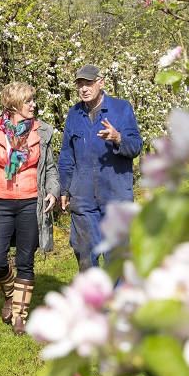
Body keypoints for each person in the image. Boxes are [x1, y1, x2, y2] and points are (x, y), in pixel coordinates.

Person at [0, 82, 59, 335]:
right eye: (28, 101)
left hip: (31, 202)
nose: (34, 105)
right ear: (14, 105)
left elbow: (50, 168)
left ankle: (20, 315)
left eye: (33, 101)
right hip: (0, 204)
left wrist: (53, 190)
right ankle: (10, 294)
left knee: (25, 261)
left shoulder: (42, 132)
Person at [58, 64, 143, 271]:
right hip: (83, 196)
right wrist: (63, 189)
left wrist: (117, 138)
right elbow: (67, 155)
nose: (84, 89)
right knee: (85, 251)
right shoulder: (74, 114)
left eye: (88, 84)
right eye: (80, 85)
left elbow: (136, 147)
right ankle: (95, 301)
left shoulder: (121, 109)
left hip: (115, 194)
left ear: (101, 83)